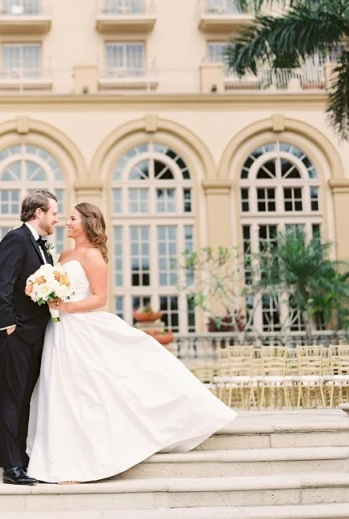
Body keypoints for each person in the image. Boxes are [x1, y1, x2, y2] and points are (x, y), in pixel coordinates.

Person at [27, 202, 237, 484]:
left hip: (81, 328)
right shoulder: (65, 253)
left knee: (87, 391)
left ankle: (89, 455)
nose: (67, 222)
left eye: (73, 218)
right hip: (59, 332)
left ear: (88, 223)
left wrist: (65, 306)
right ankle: (65, 456)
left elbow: (99, 298)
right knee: (61, 391)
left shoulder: (93, 257)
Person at [0, 190, 58, 485]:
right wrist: (8, 325)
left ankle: (18, 458)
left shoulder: (41, 246)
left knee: (23, 399)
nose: (56, 220)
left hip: (34, 332)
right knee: (11, 397)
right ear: (38, 213)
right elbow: (1, 284)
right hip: (14, 333)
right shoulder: (15, 239)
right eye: (53, 214)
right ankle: (11, 466)